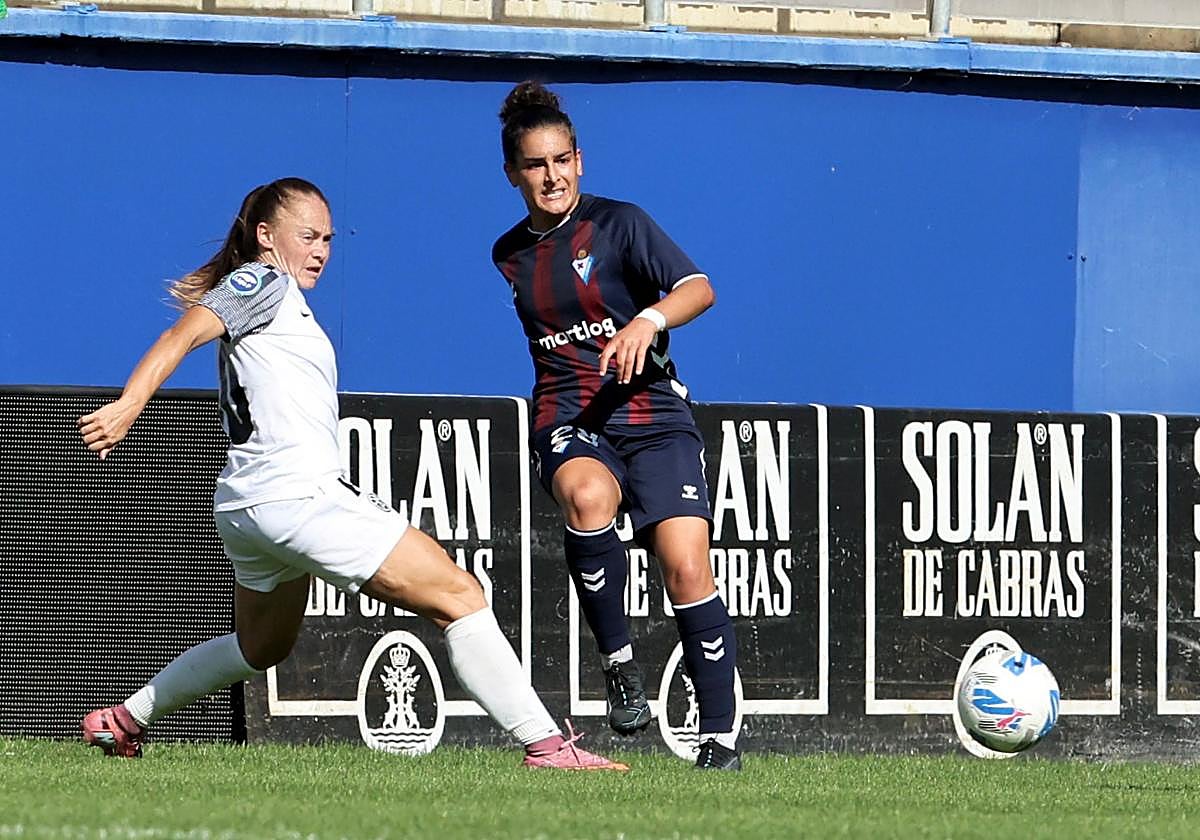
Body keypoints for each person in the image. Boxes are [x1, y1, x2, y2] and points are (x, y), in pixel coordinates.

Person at [78, 177, 625, 771]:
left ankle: (124, 720)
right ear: (265, 237)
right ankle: (547, 747)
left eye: (328, 239)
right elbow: (182, 332)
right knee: (460, 595)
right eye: (307, 236)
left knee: (262, 647)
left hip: (245, 507)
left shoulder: (276, 298)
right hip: (296, 498)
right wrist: (132, 403)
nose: (321, 250)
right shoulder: (262, 281)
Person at [491, 83, 741, 770]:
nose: (553, 176)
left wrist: (647, 319)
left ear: (581, 159)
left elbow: (698, 286)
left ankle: (718, 740)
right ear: (513, 173)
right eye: (537, 164)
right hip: (571, 416)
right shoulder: (508, 254)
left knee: (689, 569)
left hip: (655, 416)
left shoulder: (621, 223)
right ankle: (621, 664)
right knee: (588, 498)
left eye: (563, 159)